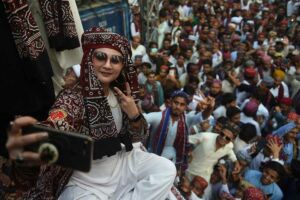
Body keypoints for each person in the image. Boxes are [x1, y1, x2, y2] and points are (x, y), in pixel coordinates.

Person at [6, 27, 176, 200]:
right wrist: (29, 141)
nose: (108, 65)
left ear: (122, 65)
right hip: (87, 178)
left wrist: (134, 115)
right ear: (88, 59)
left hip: (122, 163)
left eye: (115, 60)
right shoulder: (73, 98)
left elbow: (139, 137)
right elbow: (56, 123)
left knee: (167, 169)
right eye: (101, 57)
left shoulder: (123, 95)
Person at [144, 90, 215, 171]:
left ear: (185, 107)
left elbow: (203, 116)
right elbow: (141, 119)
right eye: (176, 103)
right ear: (170, 102)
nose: (178, 106)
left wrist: (210, 107)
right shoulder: (158, 117)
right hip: (153, 159)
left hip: (173, 162)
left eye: (182, 104)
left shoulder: (187, 119)